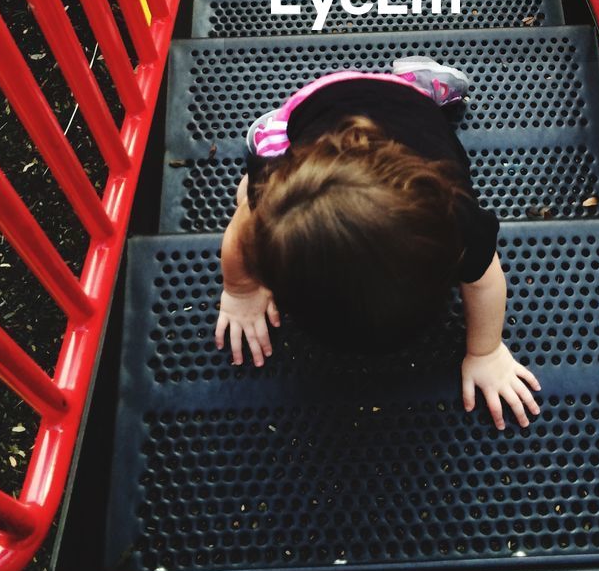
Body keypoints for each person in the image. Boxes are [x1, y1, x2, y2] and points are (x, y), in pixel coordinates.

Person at [214, 56, 542, 430]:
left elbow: (485, 281)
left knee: (256, 195)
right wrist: (240, 290)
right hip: (315, 106)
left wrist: (485, 351)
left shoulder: (458, 220)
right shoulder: (276, 201)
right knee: (249, 194)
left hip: (406, 106)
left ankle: (419, 85)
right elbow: (244, 228)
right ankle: (274, 131)